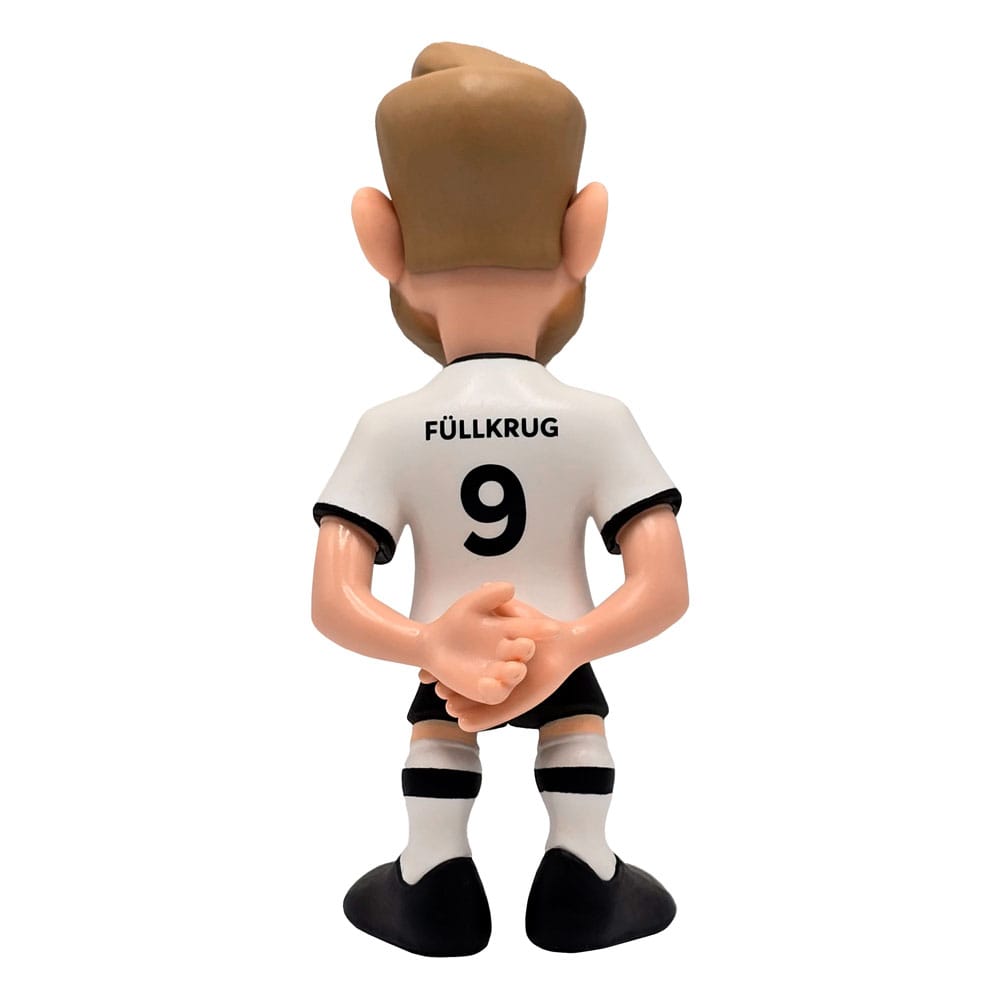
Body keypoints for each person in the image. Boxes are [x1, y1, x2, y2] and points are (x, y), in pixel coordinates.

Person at [311, 42, 689, 955]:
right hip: (566, 642)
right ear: (583, 238)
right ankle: (583, 875)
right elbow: (665, 585)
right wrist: (569, 642)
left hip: (446, 662)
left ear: (383, 245)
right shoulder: (601, 420)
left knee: (437, 744)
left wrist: (429, 643)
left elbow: (332, 599)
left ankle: (432, 881)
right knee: (578, 733)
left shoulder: (386, 427)